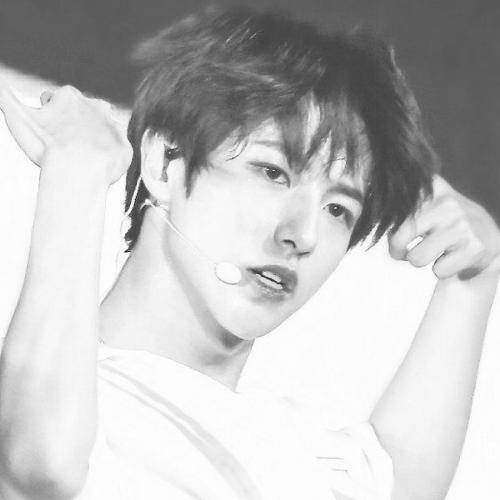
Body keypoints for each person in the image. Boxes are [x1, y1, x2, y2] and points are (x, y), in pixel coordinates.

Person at [0, 6, 499, 500]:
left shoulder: (295, 449)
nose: (303, 234)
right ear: (165, 162)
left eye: (337, 209)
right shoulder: (62, 408)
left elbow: (400, 480)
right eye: (272, 172)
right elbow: (43, 464)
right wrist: (76, 173)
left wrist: (474, 276)